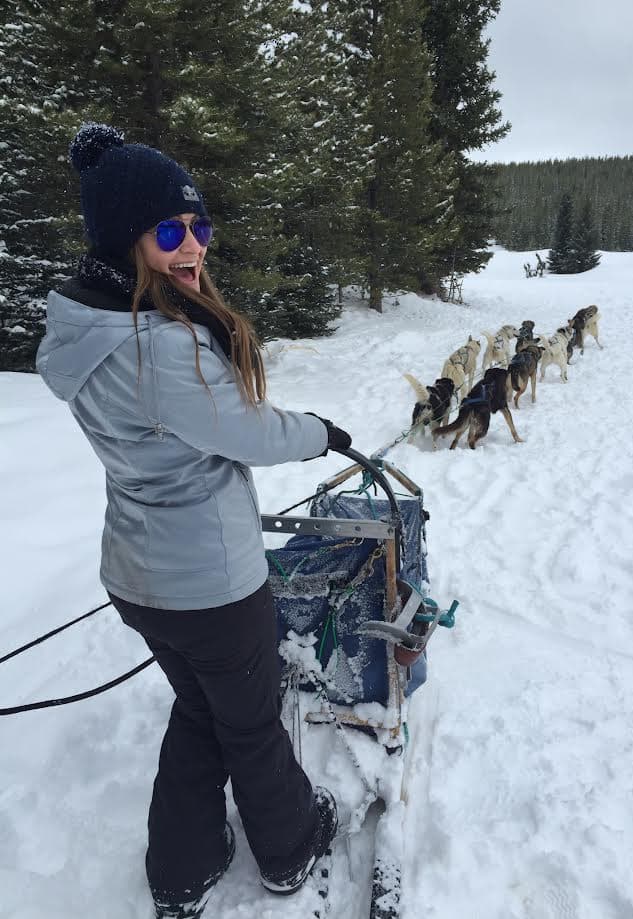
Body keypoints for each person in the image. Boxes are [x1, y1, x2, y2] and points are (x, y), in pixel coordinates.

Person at [36, 123, 349, 919]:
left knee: (202, 707)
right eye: (169, 231)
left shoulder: (88, 328)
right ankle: (289, 845)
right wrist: (319, 432)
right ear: (123, 238)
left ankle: (182, 864)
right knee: (248, 719)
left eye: (199, 227)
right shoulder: (161, 351)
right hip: (210, 585)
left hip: (139, 578)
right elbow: (251, 432)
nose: (193, 247)